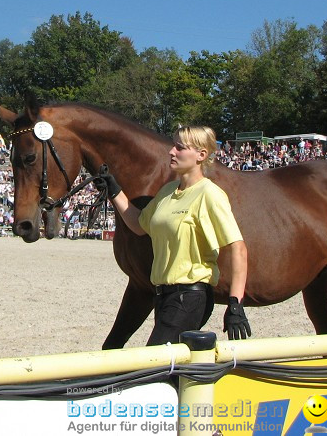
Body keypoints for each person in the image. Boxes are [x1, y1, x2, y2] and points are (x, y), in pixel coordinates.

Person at [96, 125, 251, 345]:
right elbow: (139, 224)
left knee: (156, 362)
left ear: (201, 155)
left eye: (180, 147)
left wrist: (235, 304)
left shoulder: (210, 194)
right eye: (173, 146)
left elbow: (238, 248)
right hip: (163, 296)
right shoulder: (167, 191)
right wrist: (114, 190)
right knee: (170, 368)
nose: (171, 152)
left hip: (190, 296)